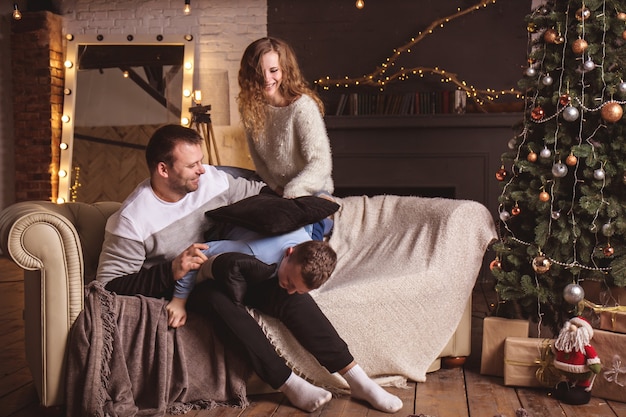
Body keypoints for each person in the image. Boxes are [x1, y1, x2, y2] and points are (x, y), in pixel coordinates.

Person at [96, 124, 403, 414]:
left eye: (201, 161)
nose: (202, 169)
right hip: (184, 283)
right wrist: (170, 270)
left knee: (288, 293)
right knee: (218, 300)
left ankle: (358, 379)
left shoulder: (213, 182)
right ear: (163, 170)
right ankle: (288, 383)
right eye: (192, 165)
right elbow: (109, 285)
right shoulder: (132, 221)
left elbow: (263, 196)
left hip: (229, 264)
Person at [237, 37, 334, 199]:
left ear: (285, 69)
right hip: (275, 189)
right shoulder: (249, 107)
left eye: (273, 70)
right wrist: (276, 189)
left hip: (311, 189)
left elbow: (321, 163)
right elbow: (259, 162)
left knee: (300, 222)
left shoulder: (303, 107)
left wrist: (293, 191)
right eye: (259, 71)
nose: (266, 79)